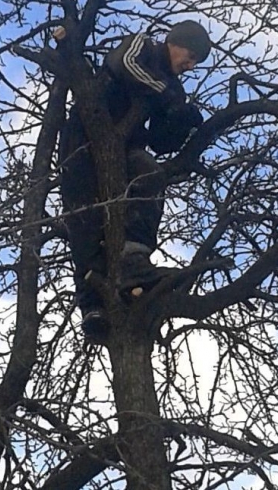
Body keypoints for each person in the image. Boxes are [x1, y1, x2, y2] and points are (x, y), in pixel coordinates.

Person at [58, 21, 211, 341]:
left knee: (150, 175)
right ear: (175, 42)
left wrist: (182, 123)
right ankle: (91, 304)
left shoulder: (174, 86)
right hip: (84, 137)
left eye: (196, 62)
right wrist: (169, 97)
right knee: (85, 217)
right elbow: (123, 65)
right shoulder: (142, 46)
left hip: (127, 147)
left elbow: (160, 141)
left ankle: (134, 263)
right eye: (191, 55)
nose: (190, 65)